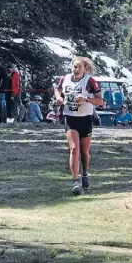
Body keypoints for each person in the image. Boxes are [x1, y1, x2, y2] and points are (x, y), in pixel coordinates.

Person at [54, 56, 103, 195]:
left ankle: (85, 173)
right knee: (74, 148)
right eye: (74, 67)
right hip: (70, 118)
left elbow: (101, 101)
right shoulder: (65, 79)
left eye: (79, 67)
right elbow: (57, 89)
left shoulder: (90, 81)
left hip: (85, 118)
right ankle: (75, 181)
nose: (76, 70)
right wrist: (58, 98)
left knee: (84, 152)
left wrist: (86, 99)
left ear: (85, 68)